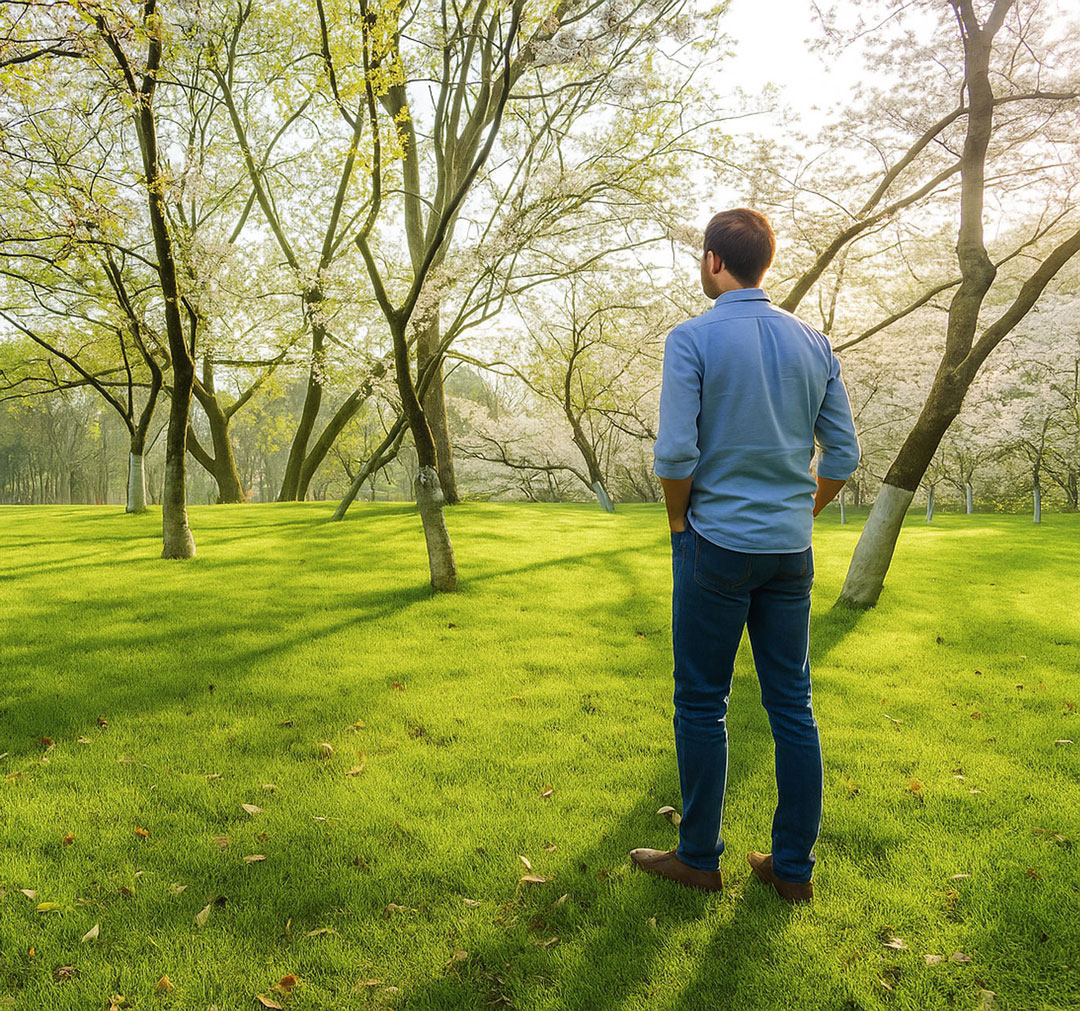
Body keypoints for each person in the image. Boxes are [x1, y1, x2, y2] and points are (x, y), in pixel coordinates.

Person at [629, 208, 860, 903]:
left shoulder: (692, 338)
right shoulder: (814, 342)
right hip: (790, 552)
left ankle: (700, 857)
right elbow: (843, 454)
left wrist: (678, 519)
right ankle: (792, 869)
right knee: (793, 706)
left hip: (716, 545)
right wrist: (803, 510)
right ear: (766, 263)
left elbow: (676, 451)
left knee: (703, 702)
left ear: (713, 261)